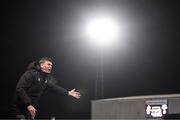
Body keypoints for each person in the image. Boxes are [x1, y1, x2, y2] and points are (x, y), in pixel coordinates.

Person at [10, 57, 81, 119]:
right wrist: (28, 104)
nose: (51, 66)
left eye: (51, 65)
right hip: (19, 108)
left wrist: (68, 92)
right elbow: (20, 88)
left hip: (30, 110)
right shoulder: (31, 73)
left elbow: (54, 88)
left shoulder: (45, 79)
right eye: (48, 64)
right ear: (41, 65)